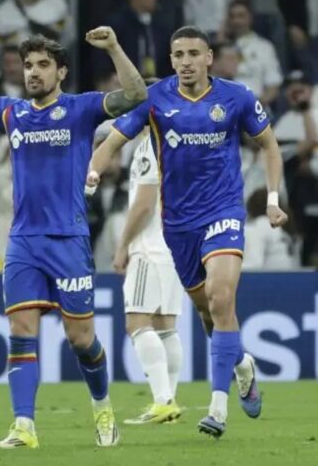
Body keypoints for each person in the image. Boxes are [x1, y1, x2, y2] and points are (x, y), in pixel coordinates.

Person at [0, 25, 148, 448]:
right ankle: (23, 427)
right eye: (28, 65)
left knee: (81, 339)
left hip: (68, 239)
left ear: (61, 72)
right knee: (20, 330)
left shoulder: (81, 108)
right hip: (23, 243)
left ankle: (103, 408)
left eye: (42, 65)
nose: (32, 72)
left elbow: (136, 95)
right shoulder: (11, 111)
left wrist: (113, 47)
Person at [88, 25, 288, 438]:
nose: (185, 62)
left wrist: (270, 199)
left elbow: (269, 145)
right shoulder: (155, 98)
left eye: (193, 54)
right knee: (208, 313)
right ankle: (241, 363)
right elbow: (113, 140)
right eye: (178, 55)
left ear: (209, 58)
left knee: (220, 296)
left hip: (224, 211)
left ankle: (217, 410)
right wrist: (92, 170)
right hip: (178, 224)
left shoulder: (236, 96)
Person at [112, 132, 184, 424]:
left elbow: (143, 205)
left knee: (137, 323)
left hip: (148, 248)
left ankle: (162, 400)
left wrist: (123, 245)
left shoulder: (148, 147)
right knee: (166, 326)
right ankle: (169, 402)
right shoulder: (177, 142)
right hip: (173, 247)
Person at [223, 0, 282, 107]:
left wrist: (257, 105)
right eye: (232, 17)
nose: (236, 21)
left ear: (250, 18)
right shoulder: (221, 48)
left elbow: (273, 85)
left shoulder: (264, 47)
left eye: (241, 16)